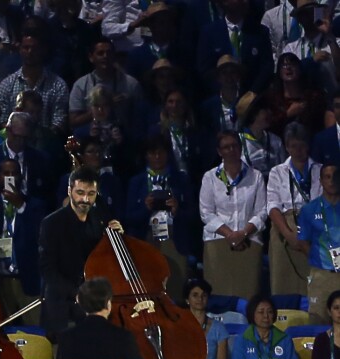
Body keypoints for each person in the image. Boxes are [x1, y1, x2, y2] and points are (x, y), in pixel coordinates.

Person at [39, 166, 122, 339]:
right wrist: (77, 293)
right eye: (80, 192)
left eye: (91, 194)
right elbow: (48, 270)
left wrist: (117, 237)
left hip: (91, 303)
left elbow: (105, 259)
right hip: (61, 304)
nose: (85, 199)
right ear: (69, 191)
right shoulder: (51, 223)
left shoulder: (100, 220)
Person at [0, 158, 45, 326]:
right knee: (2, 330)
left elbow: (39, 236)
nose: (10, 177)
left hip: (27, 279)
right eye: (6, 173)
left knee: (35, 328)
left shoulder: (35, 206)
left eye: (15, 173)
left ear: (21, 177)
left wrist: (20, 206)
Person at [125, 133, 195, 303]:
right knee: (147, 288)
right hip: (147, 237)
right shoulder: (137, 182)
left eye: (161, 152)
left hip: (174, 237)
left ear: (167, 154)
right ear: (146, 155)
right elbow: (127, 217)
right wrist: (145, 208)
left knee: (175, 289)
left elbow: (193, 215)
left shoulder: (181, 180)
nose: (157, 157)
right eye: (152, 153)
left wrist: (177, 210)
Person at [199, 130, 267, 300]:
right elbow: (206, 212)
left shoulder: (256, 176)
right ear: (219, 151)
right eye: (226, 147)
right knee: (219, 296)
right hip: (218, 241)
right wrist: (229, 234)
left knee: (248, 296)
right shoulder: (210, 177)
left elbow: (262, 211)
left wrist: (243, 233)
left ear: (241, 147)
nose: (231, 150)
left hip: (249, 241)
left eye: (234, 146)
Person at [267, 122, 322, 296]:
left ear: (308, 145)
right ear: (287, 147)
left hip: (314, 229)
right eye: (293, 146)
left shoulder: (320, 170)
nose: (298, 150)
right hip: (285, 229)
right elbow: (272, 206)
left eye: (302, 145)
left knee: (315, 284)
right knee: (284, 285)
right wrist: (289, 234)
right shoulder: (277, 172)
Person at [298, 165, 340, 324]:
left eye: (334, 176)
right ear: (321, 180)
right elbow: (303, 241)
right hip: (321, 275)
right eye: (327, 177)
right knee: (318, 321)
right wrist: (320, 260)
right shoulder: (309, 210)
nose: (331, 181)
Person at [236, 91, 285, 182]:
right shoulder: (237, 143)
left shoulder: (276, 141)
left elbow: (284, 172)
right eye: (264, 110)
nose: (269, 113)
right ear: (253, 115)